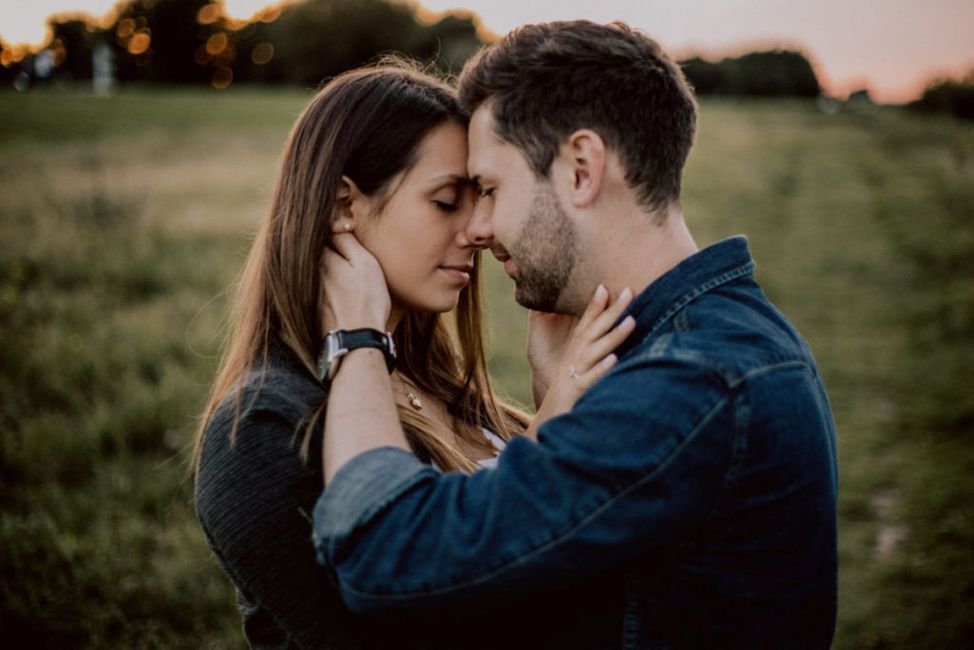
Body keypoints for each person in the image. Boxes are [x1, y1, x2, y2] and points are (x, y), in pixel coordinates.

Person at [312, 21, 839, 649]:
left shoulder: (693, 383)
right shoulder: (713, 343)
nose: (478, 227)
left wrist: (356, 341)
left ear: (581, 168)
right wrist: (557, 420)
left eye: (488, 188)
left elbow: (388, 556)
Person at [193, 61, 630, 648]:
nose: (481, 228)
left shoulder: (431, 378)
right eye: (447, 201)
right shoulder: (260, 428)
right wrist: (550, 438)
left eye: (481, 199)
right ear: (343, 206)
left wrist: (547, 409)